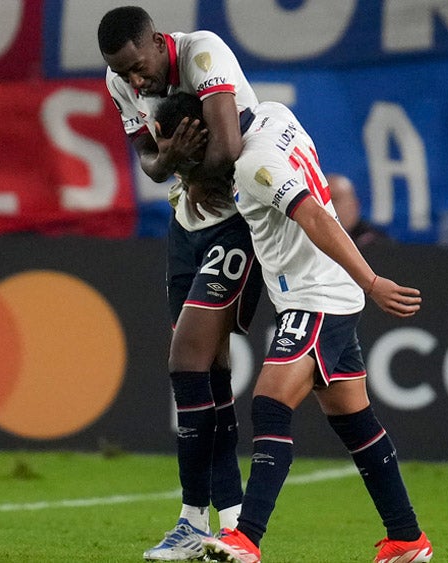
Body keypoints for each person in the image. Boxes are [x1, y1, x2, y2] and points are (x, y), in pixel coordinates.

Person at [155, 93, 433, 563]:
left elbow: (314, 215)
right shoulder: (274, 113)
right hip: (321, 293)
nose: (183, 167)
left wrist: (371, 281)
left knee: (270, 404)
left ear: (202, 136)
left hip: (316, 296)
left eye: (184, 156)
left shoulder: (253, 165)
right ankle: (407, 539)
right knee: (355, 423)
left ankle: (245, 538)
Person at [97, 7, 264, 561]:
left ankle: (193, 519)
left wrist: (183, 170)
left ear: (156, 42)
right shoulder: (118, 79)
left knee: (186, 362)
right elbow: (149, 160)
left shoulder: (202, 53)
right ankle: (232, 520)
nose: (134, 81)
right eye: (123, 73)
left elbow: (228, 148)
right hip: (185, 230)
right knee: (209, 371)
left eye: (138, 67)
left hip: (238, 222)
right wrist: (171, 159)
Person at [326, 173, 391, 248]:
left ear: (354, 205)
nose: (327, 207)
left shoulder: (377, 243)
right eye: (321, 202)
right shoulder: (313, 241)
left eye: (334, 200)